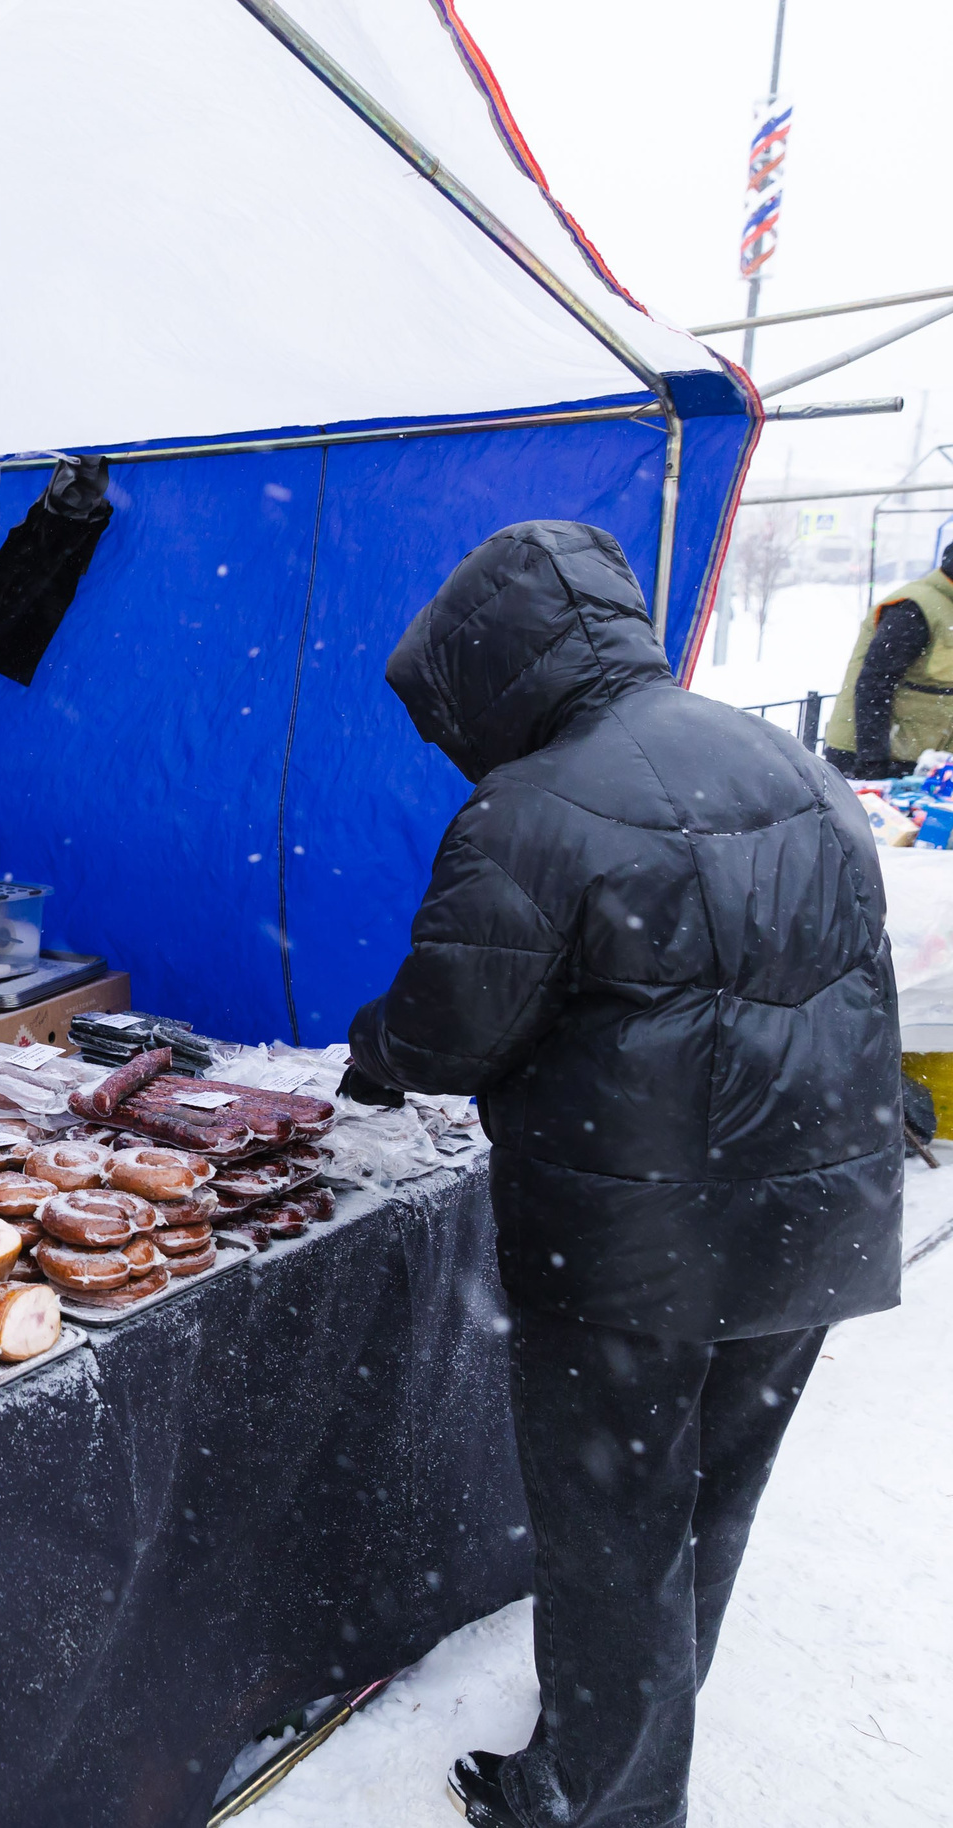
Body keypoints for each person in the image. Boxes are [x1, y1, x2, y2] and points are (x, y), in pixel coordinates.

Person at [336, 522, 901, 1828]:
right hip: (814, 1225)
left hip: (636, 1256)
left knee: (612, 1544)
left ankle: (603, 1803)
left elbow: (447, 1027)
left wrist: (372, 1048)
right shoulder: (795, 766)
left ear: (496, 671)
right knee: (705, 1504)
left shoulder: (529, 811)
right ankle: (623, 1745)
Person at [821, 539, 953, 778]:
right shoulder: (916, 608)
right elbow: (874, 683)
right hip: (876, 757)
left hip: (923, 757)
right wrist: (873, 761)